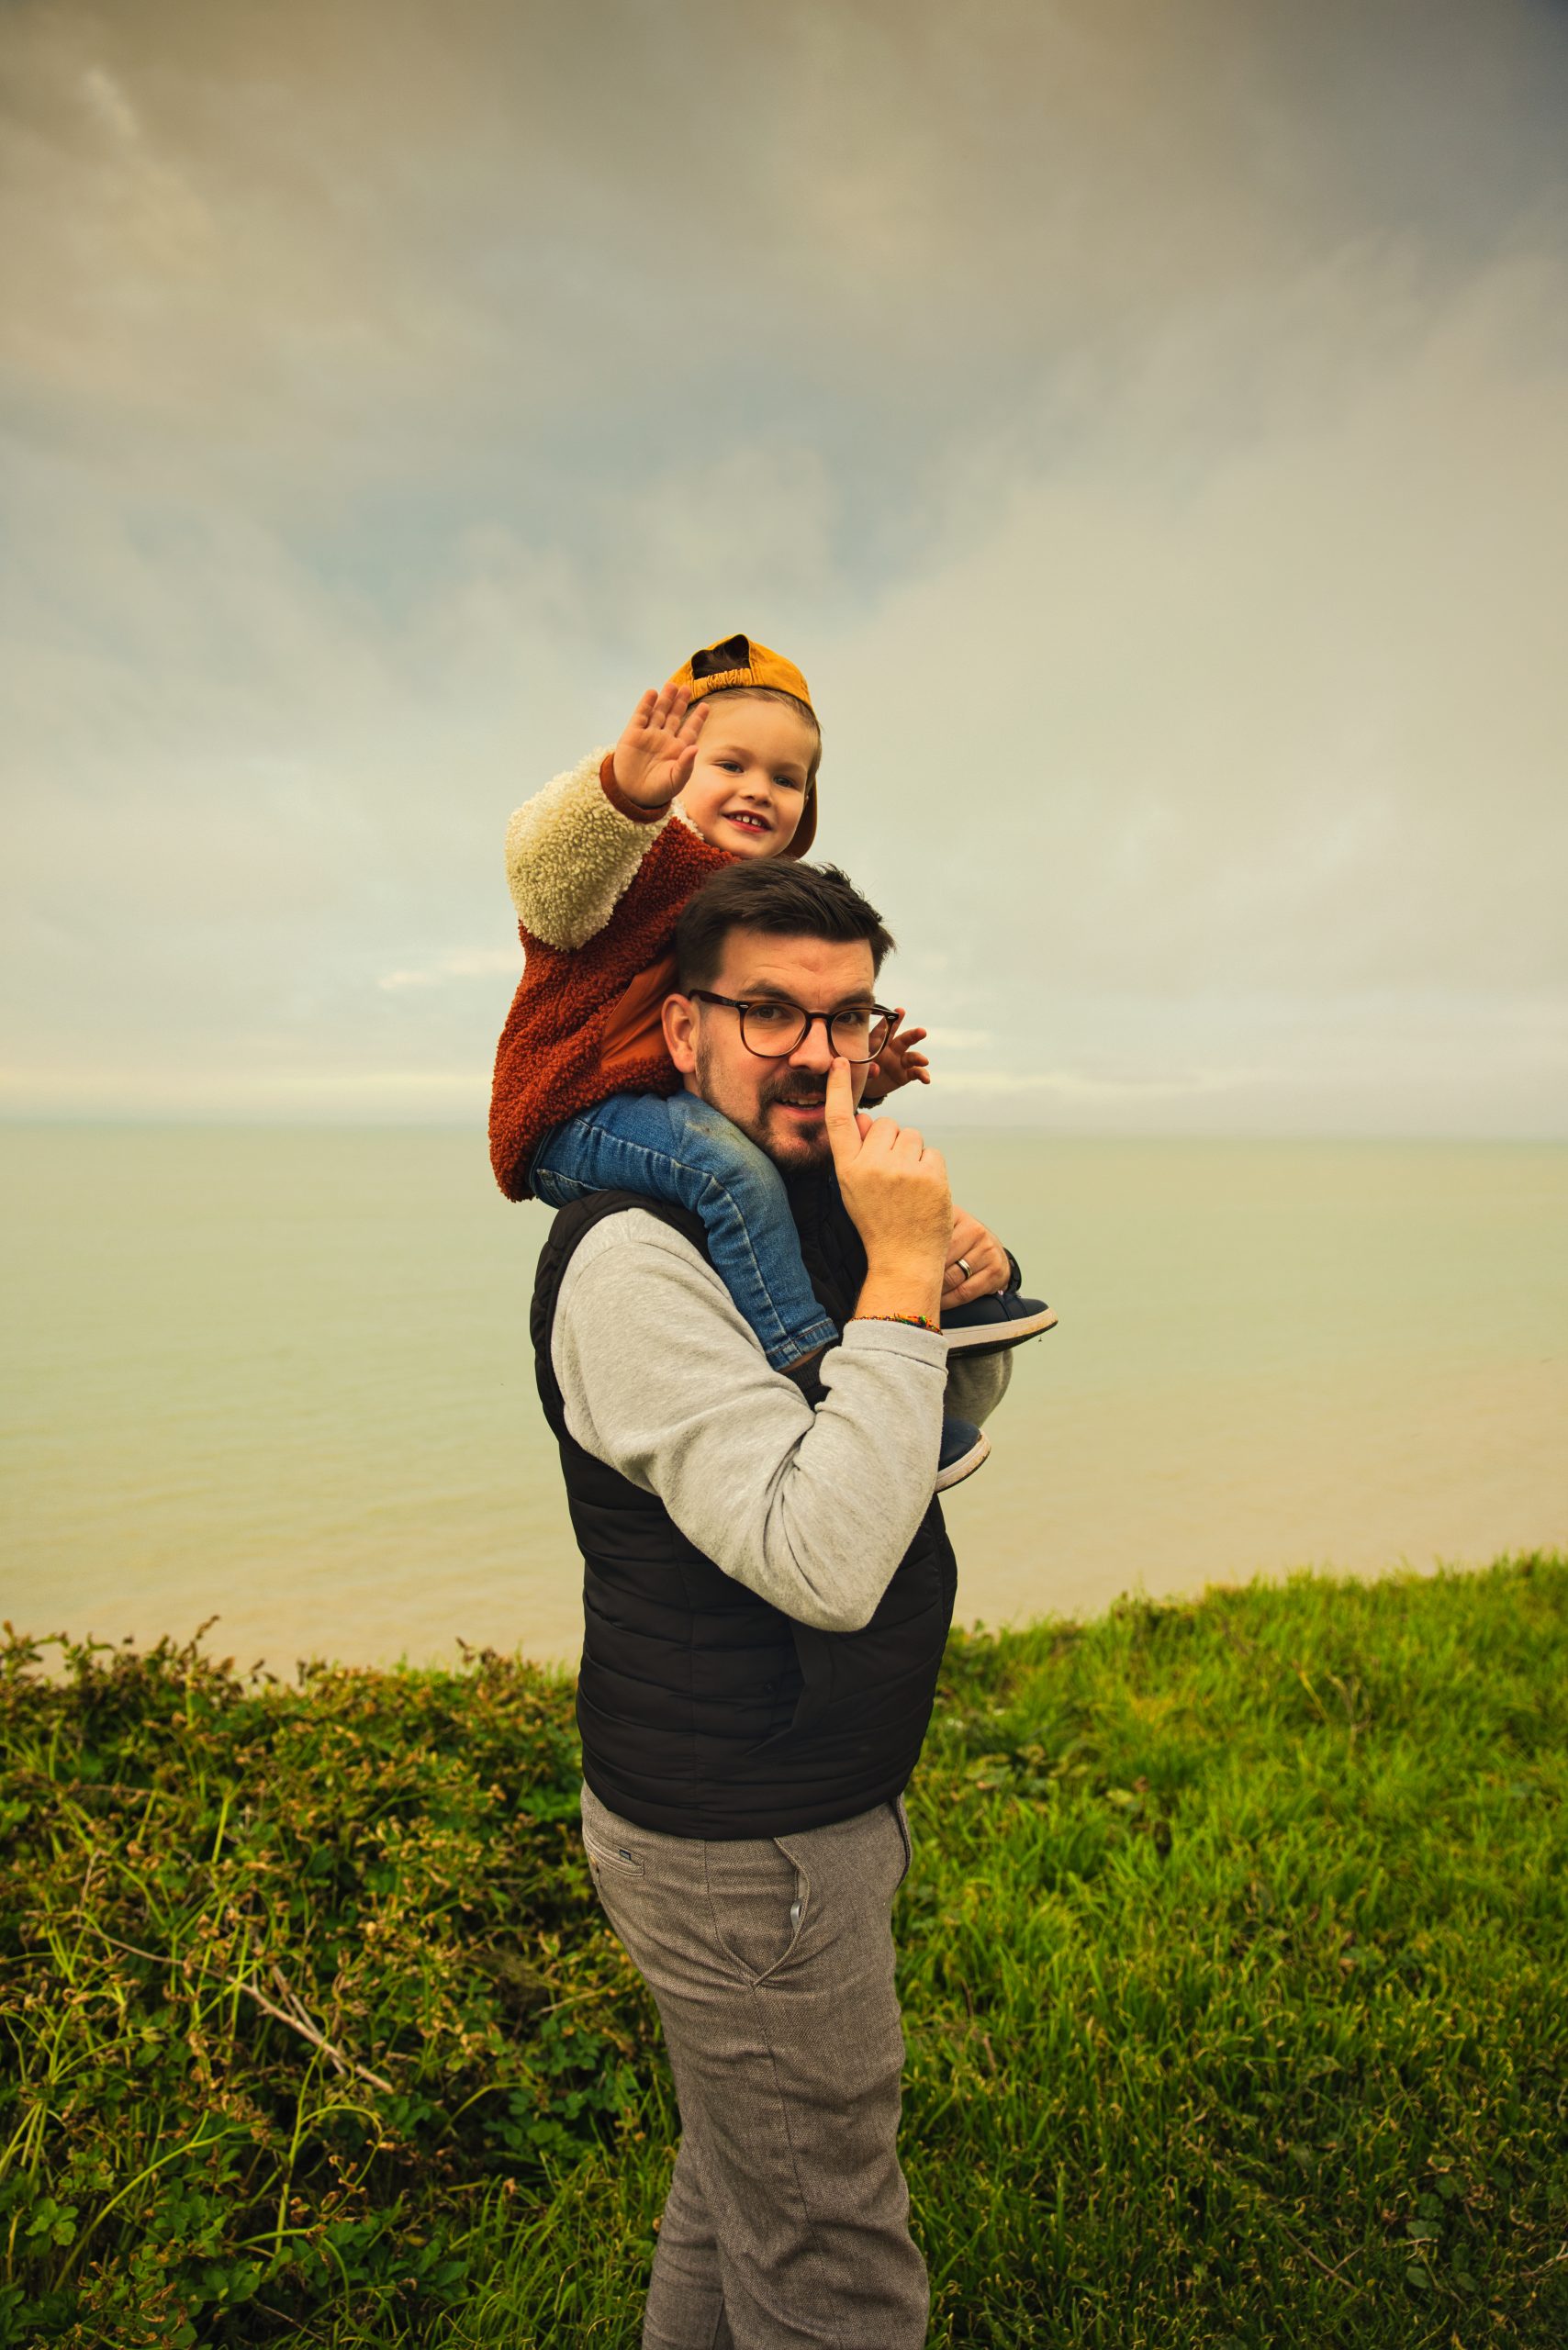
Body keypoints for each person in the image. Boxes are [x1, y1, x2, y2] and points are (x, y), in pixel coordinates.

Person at [531, 856, 1023, 2348]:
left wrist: (953, 1289)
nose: (818, 1049)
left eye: (845, 1014)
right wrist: (892, 1280)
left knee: (740, 2179)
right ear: (680, 1034)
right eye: (767, 1013)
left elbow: (914, 1441)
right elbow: (823, 1558)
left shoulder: (810, 1191)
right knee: (832, 2255)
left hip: (795, 1793)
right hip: (742, 1844)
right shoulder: (634, 1261)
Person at [491, 631, 1053, 1488]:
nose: (760, 789)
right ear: (676, 766)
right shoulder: (635, 863)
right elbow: (545, 888)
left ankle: (955, 1294)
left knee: (841, 1145)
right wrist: (621, 799)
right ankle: (809, 1369)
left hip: (658, 1106)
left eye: (787, 778)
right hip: (570, 1111)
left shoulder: (735, 902)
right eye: (731, 765)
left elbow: (753, 1048)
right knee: (732, 1173)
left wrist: (861, 1070)